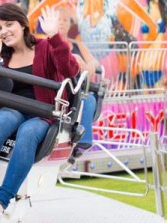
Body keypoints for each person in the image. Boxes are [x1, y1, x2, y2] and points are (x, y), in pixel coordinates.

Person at [0, 4, 79, 223]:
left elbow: (70, 70)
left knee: (28, 135)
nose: (4, 31)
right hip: (12, 108)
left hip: (42, 113)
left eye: (9, 24)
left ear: (22, 24)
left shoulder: (45, 47)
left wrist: (54, 36)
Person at [58, 7, 100, 158]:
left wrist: (89, 66)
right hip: (60, 89)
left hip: (78, 89)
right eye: (59, 20)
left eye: (65, 20)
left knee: (87, 99)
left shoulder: (77, 44)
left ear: (70, 25)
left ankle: (82, 142)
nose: (62, 23)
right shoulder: (47, 44)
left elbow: (94, 62)